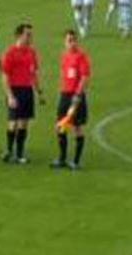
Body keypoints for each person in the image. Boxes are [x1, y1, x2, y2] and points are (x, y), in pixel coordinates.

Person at [0, 23, 43, 164]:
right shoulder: (10, 53)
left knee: (23, 123)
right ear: (19, 35)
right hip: (14, 90)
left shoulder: (31, 52)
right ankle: (8, 151)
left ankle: (19, 154)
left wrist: (39, 91)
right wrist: (10, 96)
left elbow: (34, 73)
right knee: (12, 123)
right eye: (28, 34)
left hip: (27, 90)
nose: (30, 37)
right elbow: (5, 76)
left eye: (31, 34)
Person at [52, 30, 90, 170]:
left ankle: (76, 161)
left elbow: (85, 77)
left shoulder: (81, 56)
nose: (72, 43)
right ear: (65, 42)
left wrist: (78, 95)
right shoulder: (65, 56)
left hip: (76, 96)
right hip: (65, 95)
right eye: (69, 40)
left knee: (77, 127)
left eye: (74, 40)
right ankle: (62, 158)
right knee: (62, 126)